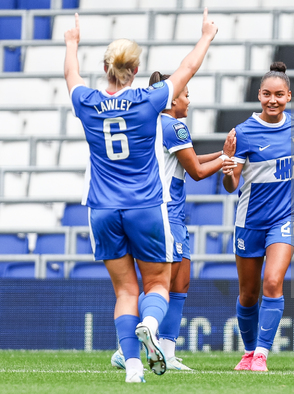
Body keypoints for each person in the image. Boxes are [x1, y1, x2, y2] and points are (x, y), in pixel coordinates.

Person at [64, 10, 218, 383]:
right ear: (135, 70)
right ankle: (151, 323)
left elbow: (71, 75)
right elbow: (187, 69)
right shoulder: (149, 100)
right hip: (146, 205)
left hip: (101, 207)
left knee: (125, 290)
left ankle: (133, 367)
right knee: (158, 285)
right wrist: (207, 36)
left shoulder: (86, 100)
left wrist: (71, 43)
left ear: (105, 67)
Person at [110, 71, 236, 371]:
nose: (189, 100)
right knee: (166, 284)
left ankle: (164, 350)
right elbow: (196, 172)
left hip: (158, 211)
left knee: (178, 281)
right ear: (172, 98)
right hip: (167, 214)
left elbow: (189, 159)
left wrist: (222, 153)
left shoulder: (152, 124)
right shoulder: (175, 126)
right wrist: (229, 158)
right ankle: (129, 345)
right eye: (186, 94)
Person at [222, 62, 294, 372]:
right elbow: (231, 185)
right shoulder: (243, 132)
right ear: (259, 95)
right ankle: (249, 352)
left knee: (273, 281)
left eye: (279, 95)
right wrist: (227, 168)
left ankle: (262, 355)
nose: (273, 100)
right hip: (249, 222)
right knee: (248, 295)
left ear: (289, 96)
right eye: (267, 94)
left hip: (285, 218)